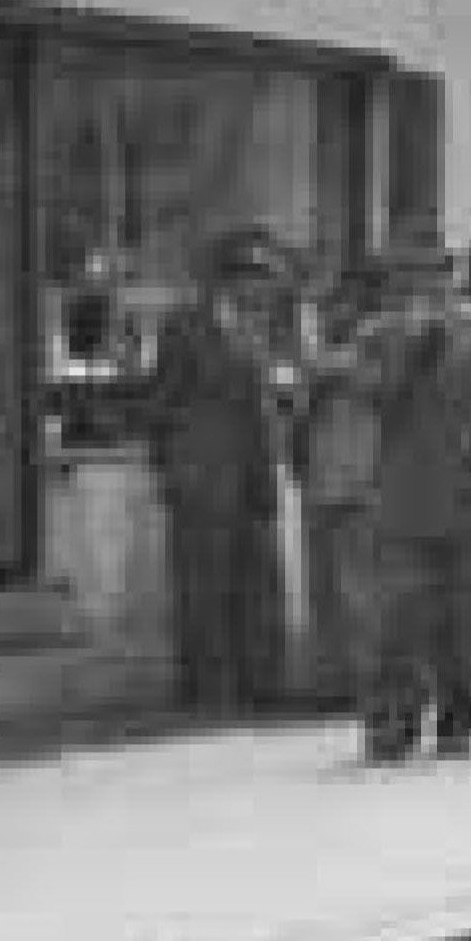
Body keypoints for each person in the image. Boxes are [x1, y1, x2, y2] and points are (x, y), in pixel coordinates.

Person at [353, 231, 471, 764]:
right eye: (405, 274)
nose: (418, 284)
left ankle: (461, 719)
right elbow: (371, 395)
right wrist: (411, 352)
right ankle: (392, 725)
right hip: (403, 498)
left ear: (449, 274)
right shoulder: (377, 333)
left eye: (430, 272)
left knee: (470, 623)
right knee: (397, 622)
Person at [142, 231, 292, 719]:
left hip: (252, 471)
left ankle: (261, 682)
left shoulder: (262, 329)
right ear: (230, 281)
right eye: (258, 278)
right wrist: (167, 465)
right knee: (201, 585)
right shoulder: (185, 327)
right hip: (199, 472)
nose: (265, 290)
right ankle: (208, 687)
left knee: (259, 578)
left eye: (268, 280)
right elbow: (163, 400)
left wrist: (269, 469)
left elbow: (263, 404)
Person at [292, 252, 390, 712]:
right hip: (324, 476)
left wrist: (306, 316)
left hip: (362, 480)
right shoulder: (341, 348)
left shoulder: (379, 344)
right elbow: (304, 397)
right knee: (326, 587)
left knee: (358, 588)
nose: (334, 309)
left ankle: (366, 679)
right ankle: (332, 679)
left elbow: (318, 367)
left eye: (339, 300)